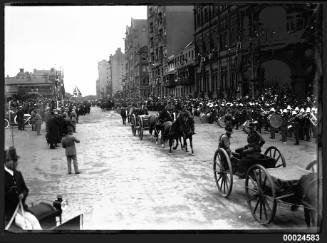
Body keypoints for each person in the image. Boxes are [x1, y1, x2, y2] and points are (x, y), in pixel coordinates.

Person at [4, 147, 42, 230]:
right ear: (6, 162)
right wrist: (10, 193)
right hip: (9, 212)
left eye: (16, 160)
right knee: (27, 226)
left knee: (34, 221)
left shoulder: (18, 174)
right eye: (13, 160)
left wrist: (22, 194)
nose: (15, 163)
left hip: (22, 208)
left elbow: (25, 189)